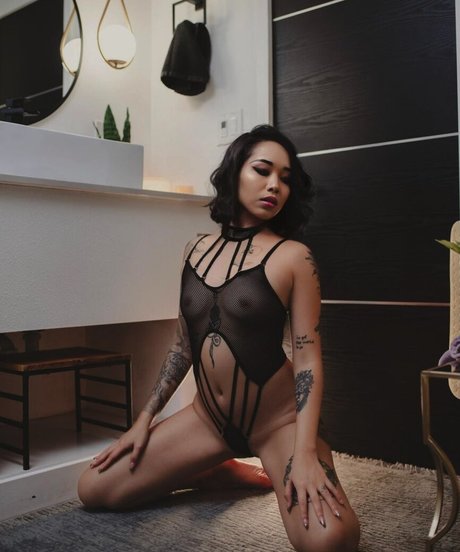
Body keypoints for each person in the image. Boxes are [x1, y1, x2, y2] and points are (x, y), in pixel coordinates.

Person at [78, 125, 360, 552]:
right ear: (234, 172)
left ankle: (299, 456)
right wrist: (143, 422)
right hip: (207, 419)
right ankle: (214, 469)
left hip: (278, 423)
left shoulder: (294, 257)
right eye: (262, 170)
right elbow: (181, 346)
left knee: (330, 542)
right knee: (94, 488)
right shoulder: (195, 249)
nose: (274, 185)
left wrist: (303, 453)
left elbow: (308, 362)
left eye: (285, 178)